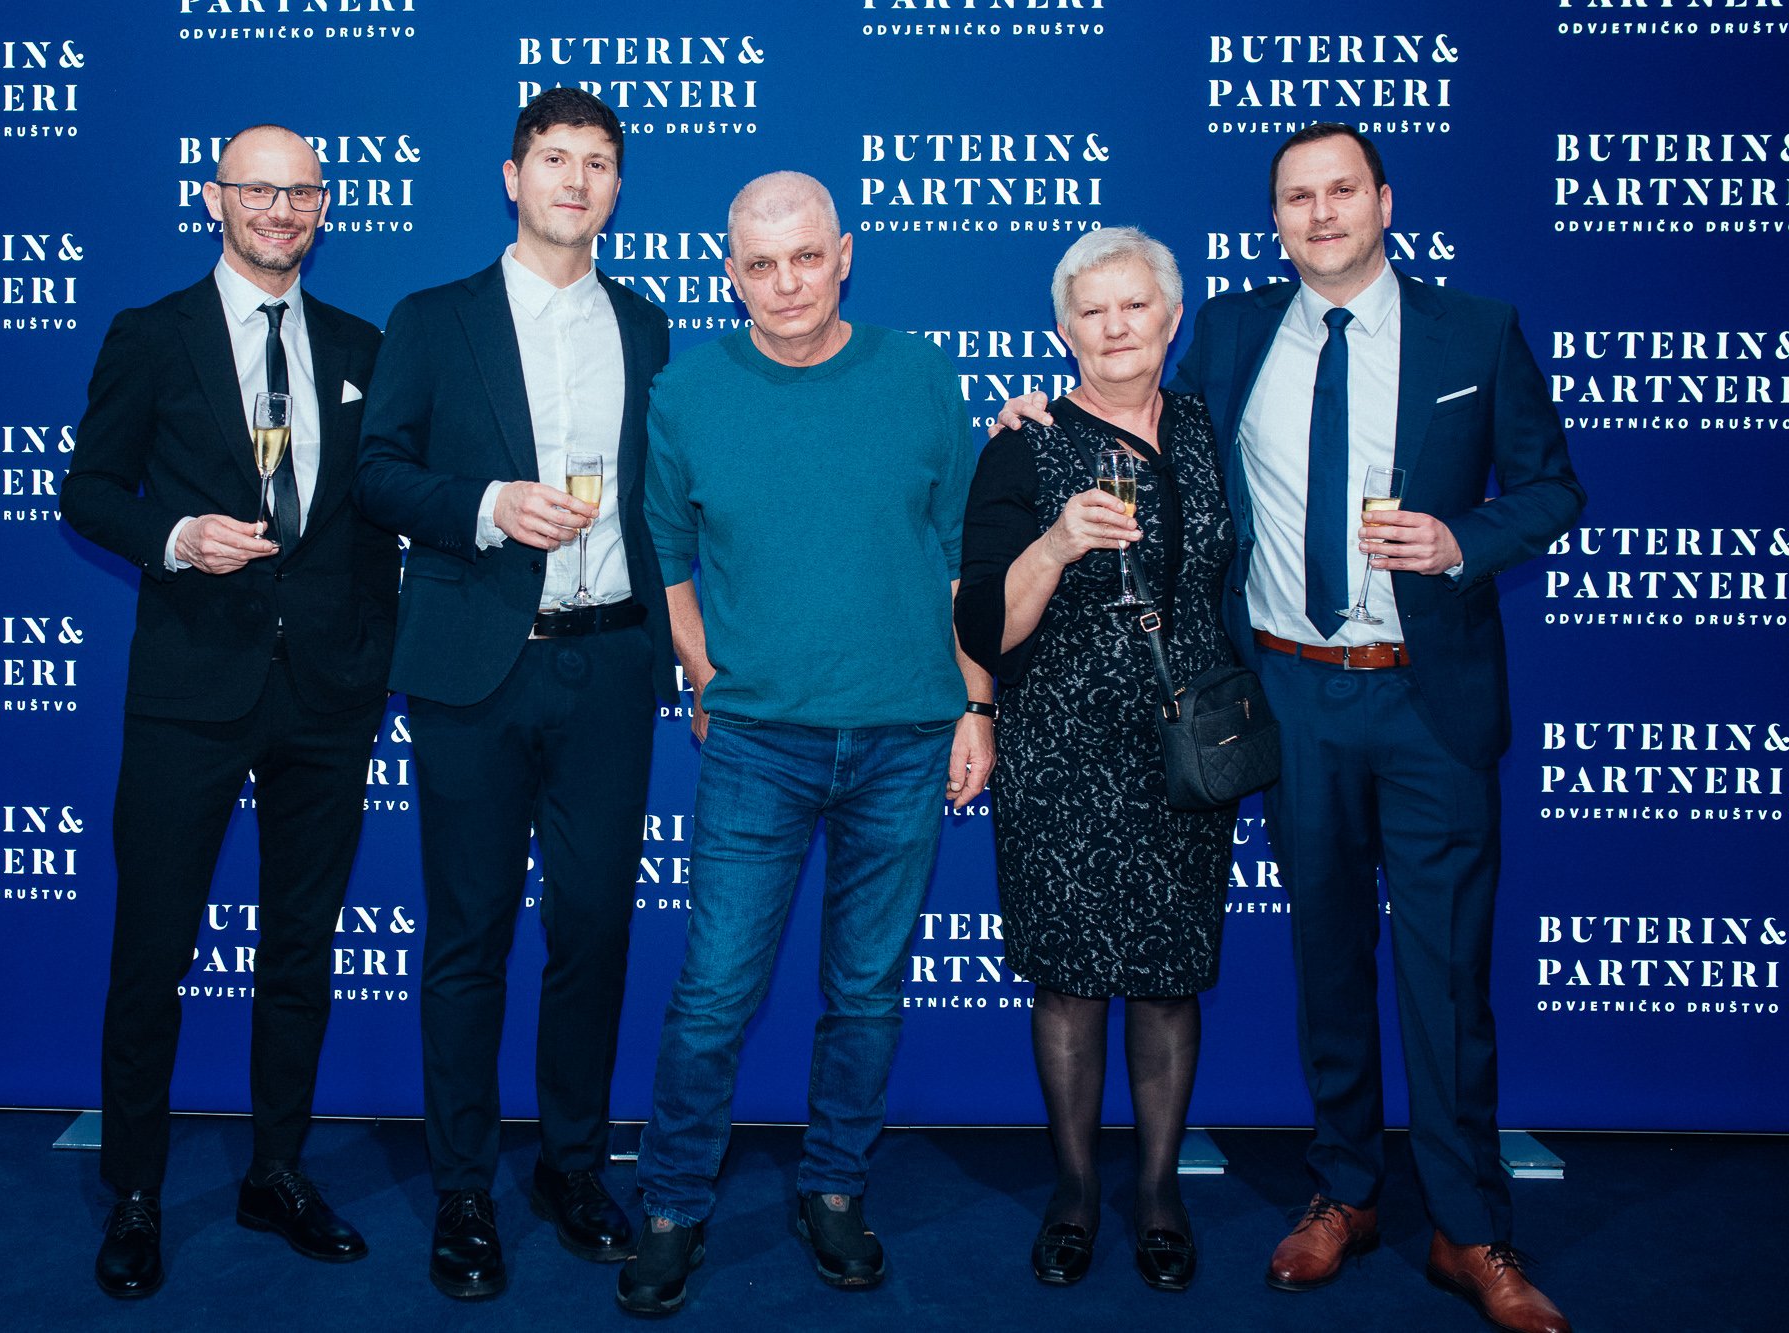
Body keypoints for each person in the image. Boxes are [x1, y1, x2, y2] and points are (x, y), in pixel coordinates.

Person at [999, 125, 1584, 1333]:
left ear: (1382, 200)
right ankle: (1344, 1192)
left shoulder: (1475, 331)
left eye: (1339, 191)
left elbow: (1551, 485)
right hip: (1286, 693)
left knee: (1443, 975)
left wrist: (1464, 541)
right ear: (1273, 220)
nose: (1319, 214)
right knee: (1325, 957)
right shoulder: (1227, 332)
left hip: (1426, 694)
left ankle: (1469, 1229)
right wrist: (1031, 419)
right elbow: (1130, 406)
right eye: (1294, 198)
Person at [615, 172, 995, 1317]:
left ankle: (834, 1189)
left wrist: (974, 703)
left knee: (866, 993)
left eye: (804, 259)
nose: (783, 285)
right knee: (714, 993)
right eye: (758, 265)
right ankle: (673, 1204)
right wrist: (700, 672)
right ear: (730, 271)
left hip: (904, 734)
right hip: (756, 744)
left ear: (842, 255)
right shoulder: (684, 392)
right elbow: (667, 553)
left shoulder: (921, 374)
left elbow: (959, 555)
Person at [62, 124, 397, 1300]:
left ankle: (276, 1171)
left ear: (323, 206)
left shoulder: (362, 345)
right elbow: (88, 490)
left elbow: (383, 515)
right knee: (152, 948)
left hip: (326, 698)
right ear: (217, 198)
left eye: (301, 191)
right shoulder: (150, 335)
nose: (280, 209)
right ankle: (139, 1195)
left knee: (300, 949)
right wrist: (171, 537)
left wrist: (374, 652)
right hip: (189, 693)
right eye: (258, 188)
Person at [353, 89, 675, 1302]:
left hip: (607, 662)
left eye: (598, 164)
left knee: (592, 931)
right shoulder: (432, 318)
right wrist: (488, 506)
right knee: (468, 936)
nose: (576, 181)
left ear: (615, 187)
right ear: (510, 176)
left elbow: (669, 497)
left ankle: (573, 1166)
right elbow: (377, 472)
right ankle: (463, 1190)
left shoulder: (644, 328)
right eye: (555, 160)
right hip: (474, 667)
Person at [955, 227, 1234, 1293]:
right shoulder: (1019, 446)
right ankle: (1074, 1191)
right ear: (1061, 330)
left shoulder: (1213, 431)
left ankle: (1157, 1191)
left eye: (1134, 307)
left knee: (1166, 983)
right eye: (1091, 312)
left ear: (1170, 317)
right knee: (1067, 983)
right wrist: (1057, 541)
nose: (1114, 329)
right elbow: (984, 623)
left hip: (1181, 748)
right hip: (1058, 748)